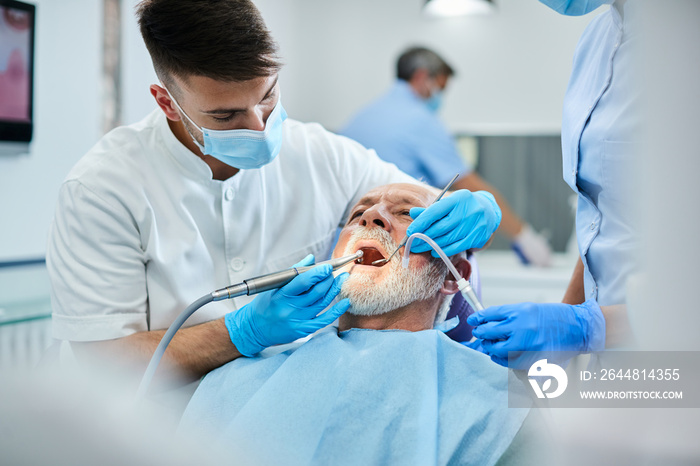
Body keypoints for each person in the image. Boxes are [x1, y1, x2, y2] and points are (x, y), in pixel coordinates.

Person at [45, 0, 502, 387]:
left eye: (267, 97)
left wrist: (479, 209)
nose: (260, 128)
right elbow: (103, 367)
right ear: (167, 101)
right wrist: (243, 332)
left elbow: (419, 204)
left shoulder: (323, 155)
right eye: (226, 116)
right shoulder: (101, 191)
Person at [179, 183, 542, 466]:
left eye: (406, 214)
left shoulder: (496, 404)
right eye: (358, 214)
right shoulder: (237, 380)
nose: (373, 217)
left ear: (453, 275)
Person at [467, 0, 637, 368]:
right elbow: (605, 216)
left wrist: (586, 327)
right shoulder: (596, 41)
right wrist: (564, 330)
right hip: (615, 364)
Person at [341, 46, 553, 267]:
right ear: (422, 77)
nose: (440, 97)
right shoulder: (419, 120)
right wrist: (524, 236)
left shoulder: (361, 117)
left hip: (351, 245)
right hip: (396, 250)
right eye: (440, 87)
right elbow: (469, 184)